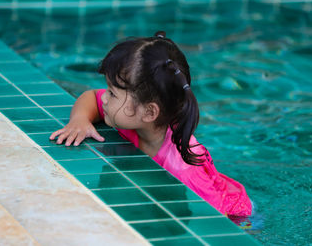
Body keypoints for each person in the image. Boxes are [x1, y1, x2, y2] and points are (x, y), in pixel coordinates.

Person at [50, 31, 252, 216]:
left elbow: (214, 222)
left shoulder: (184, 170)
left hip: (237, 215)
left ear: (149, 112)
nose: (105, 99)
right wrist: (80, 120)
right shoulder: (132, 116)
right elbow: (91, 97)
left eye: (112, 93)